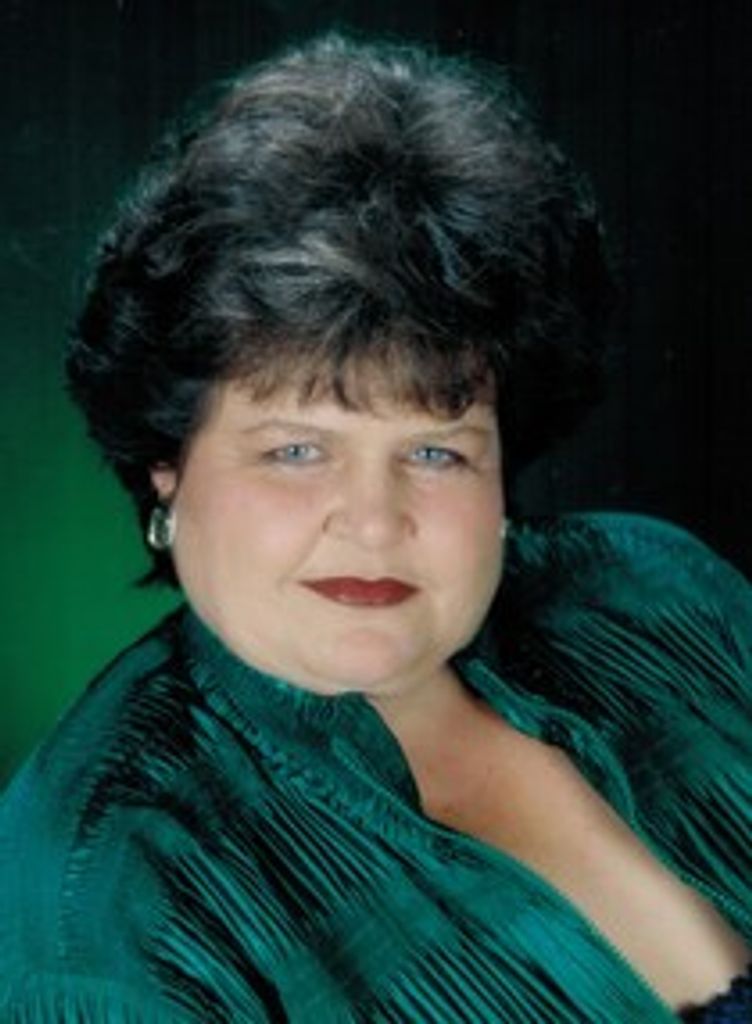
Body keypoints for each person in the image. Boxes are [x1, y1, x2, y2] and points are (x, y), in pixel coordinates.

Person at [0, 31, 750, 1023]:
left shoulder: (658, 593)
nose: (373, 522)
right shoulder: (95, 906)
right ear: (167, 464)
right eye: (295, 449)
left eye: (435, 451)